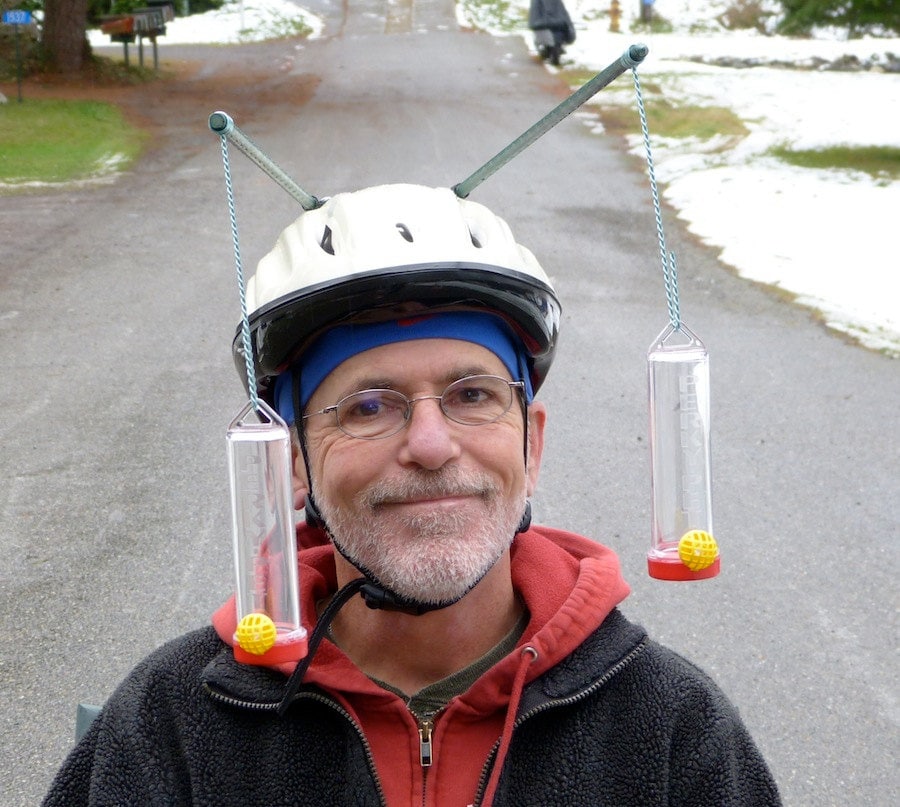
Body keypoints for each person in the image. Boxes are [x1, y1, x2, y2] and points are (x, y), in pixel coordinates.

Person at [44, 183, 781, 806]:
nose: (430, 444)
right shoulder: (170, 728)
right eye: (368, 406)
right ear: (293, 462)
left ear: (532, 442)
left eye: (472, 394)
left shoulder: (670, 729)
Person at [529, 0, 576, 66]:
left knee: (557, 35)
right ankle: (550, 53)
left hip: (555, 27)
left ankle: (551, 53)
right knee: (554, 36)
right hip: (544, 27)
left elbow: (563, 14)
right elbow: (535, 17)